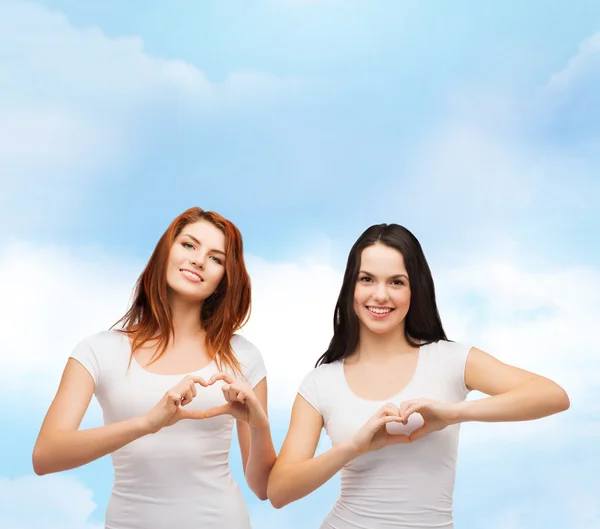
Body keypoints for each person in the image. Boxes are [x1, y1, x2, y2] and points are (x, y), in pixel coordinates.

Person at [267, 223, 570, 529]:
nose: (380, 295)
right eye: (367, 279)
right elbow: (279, 491)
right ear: (351, 287)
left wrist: (452, 413)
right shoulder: (321, 382)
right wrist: (353, 447)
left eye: (396, 282)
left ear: (415, 289)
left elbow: (552, 396)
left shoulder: (450, 359)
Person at [32, 207, 275, 529]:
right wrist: (148, 423)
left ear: (224, 279)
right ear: (165, 252)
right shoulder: (99, 350)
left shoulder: (242, 356)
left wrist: (260, 426)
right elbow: (46, 456)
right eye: (189, 245)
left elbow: (262, 487)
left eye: (216, 258)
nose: (199, 260)